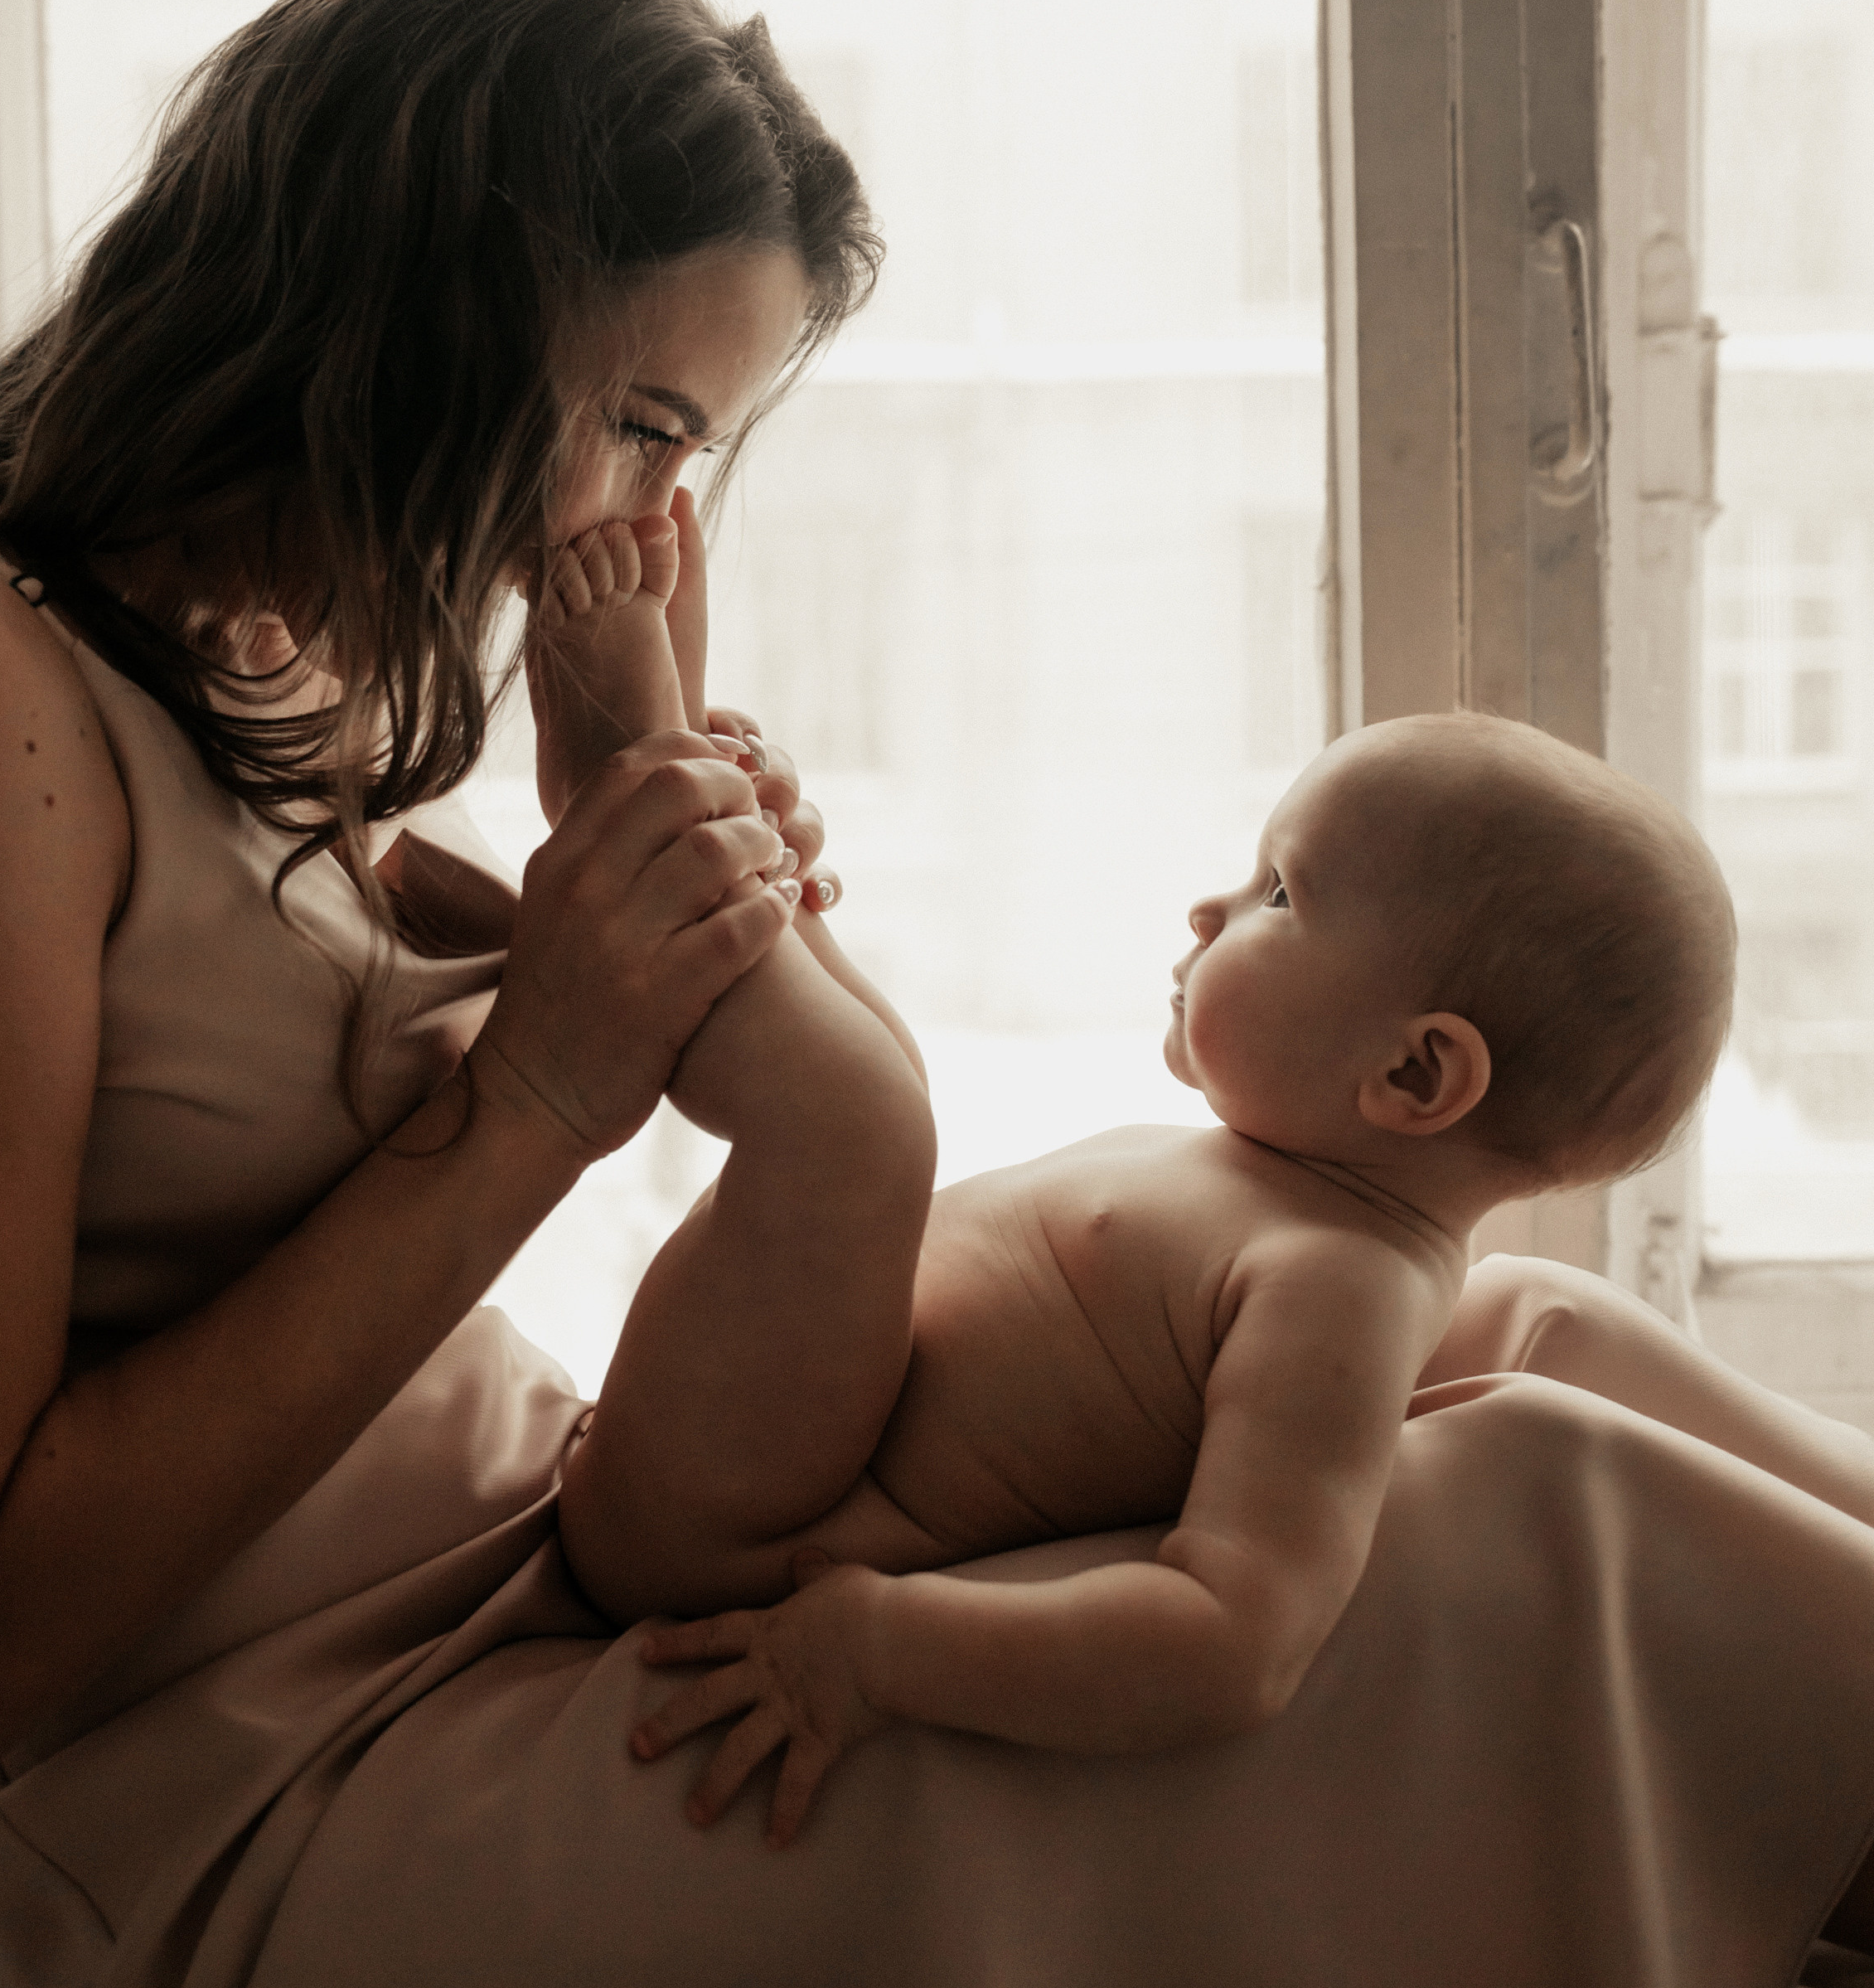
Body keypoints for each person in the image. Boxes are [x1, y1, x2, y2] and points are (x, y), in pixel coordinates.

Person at [0, 0, 1874, 1988]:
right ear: (423, 305)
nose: (630, 528)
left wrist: (662, 861)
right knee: (1536, 1527)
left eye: (691, 460)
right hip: (250, 1822)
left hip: (515, 1573)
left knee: (1517, 1337)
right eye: (643, 425)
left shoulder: (265, 660)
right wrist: (555, 1074)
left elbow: (364, 1089)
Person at [535, 529, 1764, 1836]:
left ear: (1414, 1077)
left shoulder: (1338, 1286)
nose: (1208, 909)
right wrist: (808, 918)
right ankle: (724, 858)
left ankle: (631, 791)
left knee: (866, 1127)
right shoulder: (1284, 1191)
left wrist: (882, 1647)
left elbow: (1235, 1637)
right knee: (884, 1092)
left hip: (746, 1532)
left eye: (1280, 893)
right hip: (746, 1451)